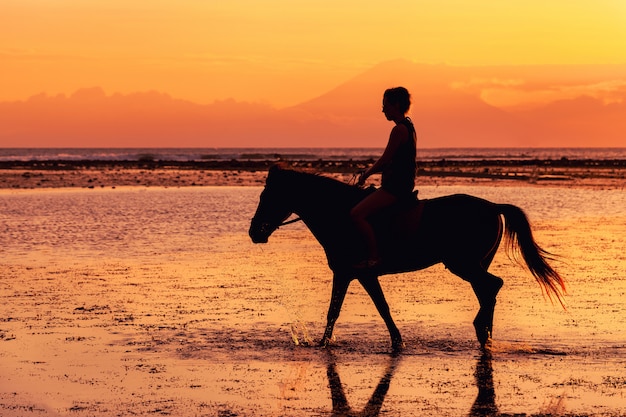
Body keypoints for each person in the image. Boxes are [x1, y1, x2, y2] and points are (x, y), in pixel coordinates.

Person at [350, 87, 417, 269]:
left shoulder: (399, 130)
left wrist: (366, 174)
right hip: (401, 185)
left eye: (385, 105)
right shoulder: (409, 127)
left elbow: (384, 160)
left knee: (356, 214)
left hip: (395, 188)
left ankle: (374, 257)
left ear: (395, 104)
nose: (383, 110)